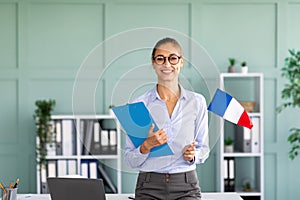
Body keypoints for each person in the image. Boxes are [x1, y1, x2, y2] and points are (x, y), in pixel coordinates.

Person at [124, 37, 210, 200]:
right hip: (149, 186)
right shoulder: (139, 105)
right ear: (153, 63)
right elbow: (130, 159)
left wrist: (193, 155)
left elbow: (203, 148)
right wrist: (146, 145)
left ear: (181, 62)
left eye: (172, 58)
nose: (167, 64)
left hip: (186, 185)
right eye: (160, 59)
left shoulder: (197, 102)